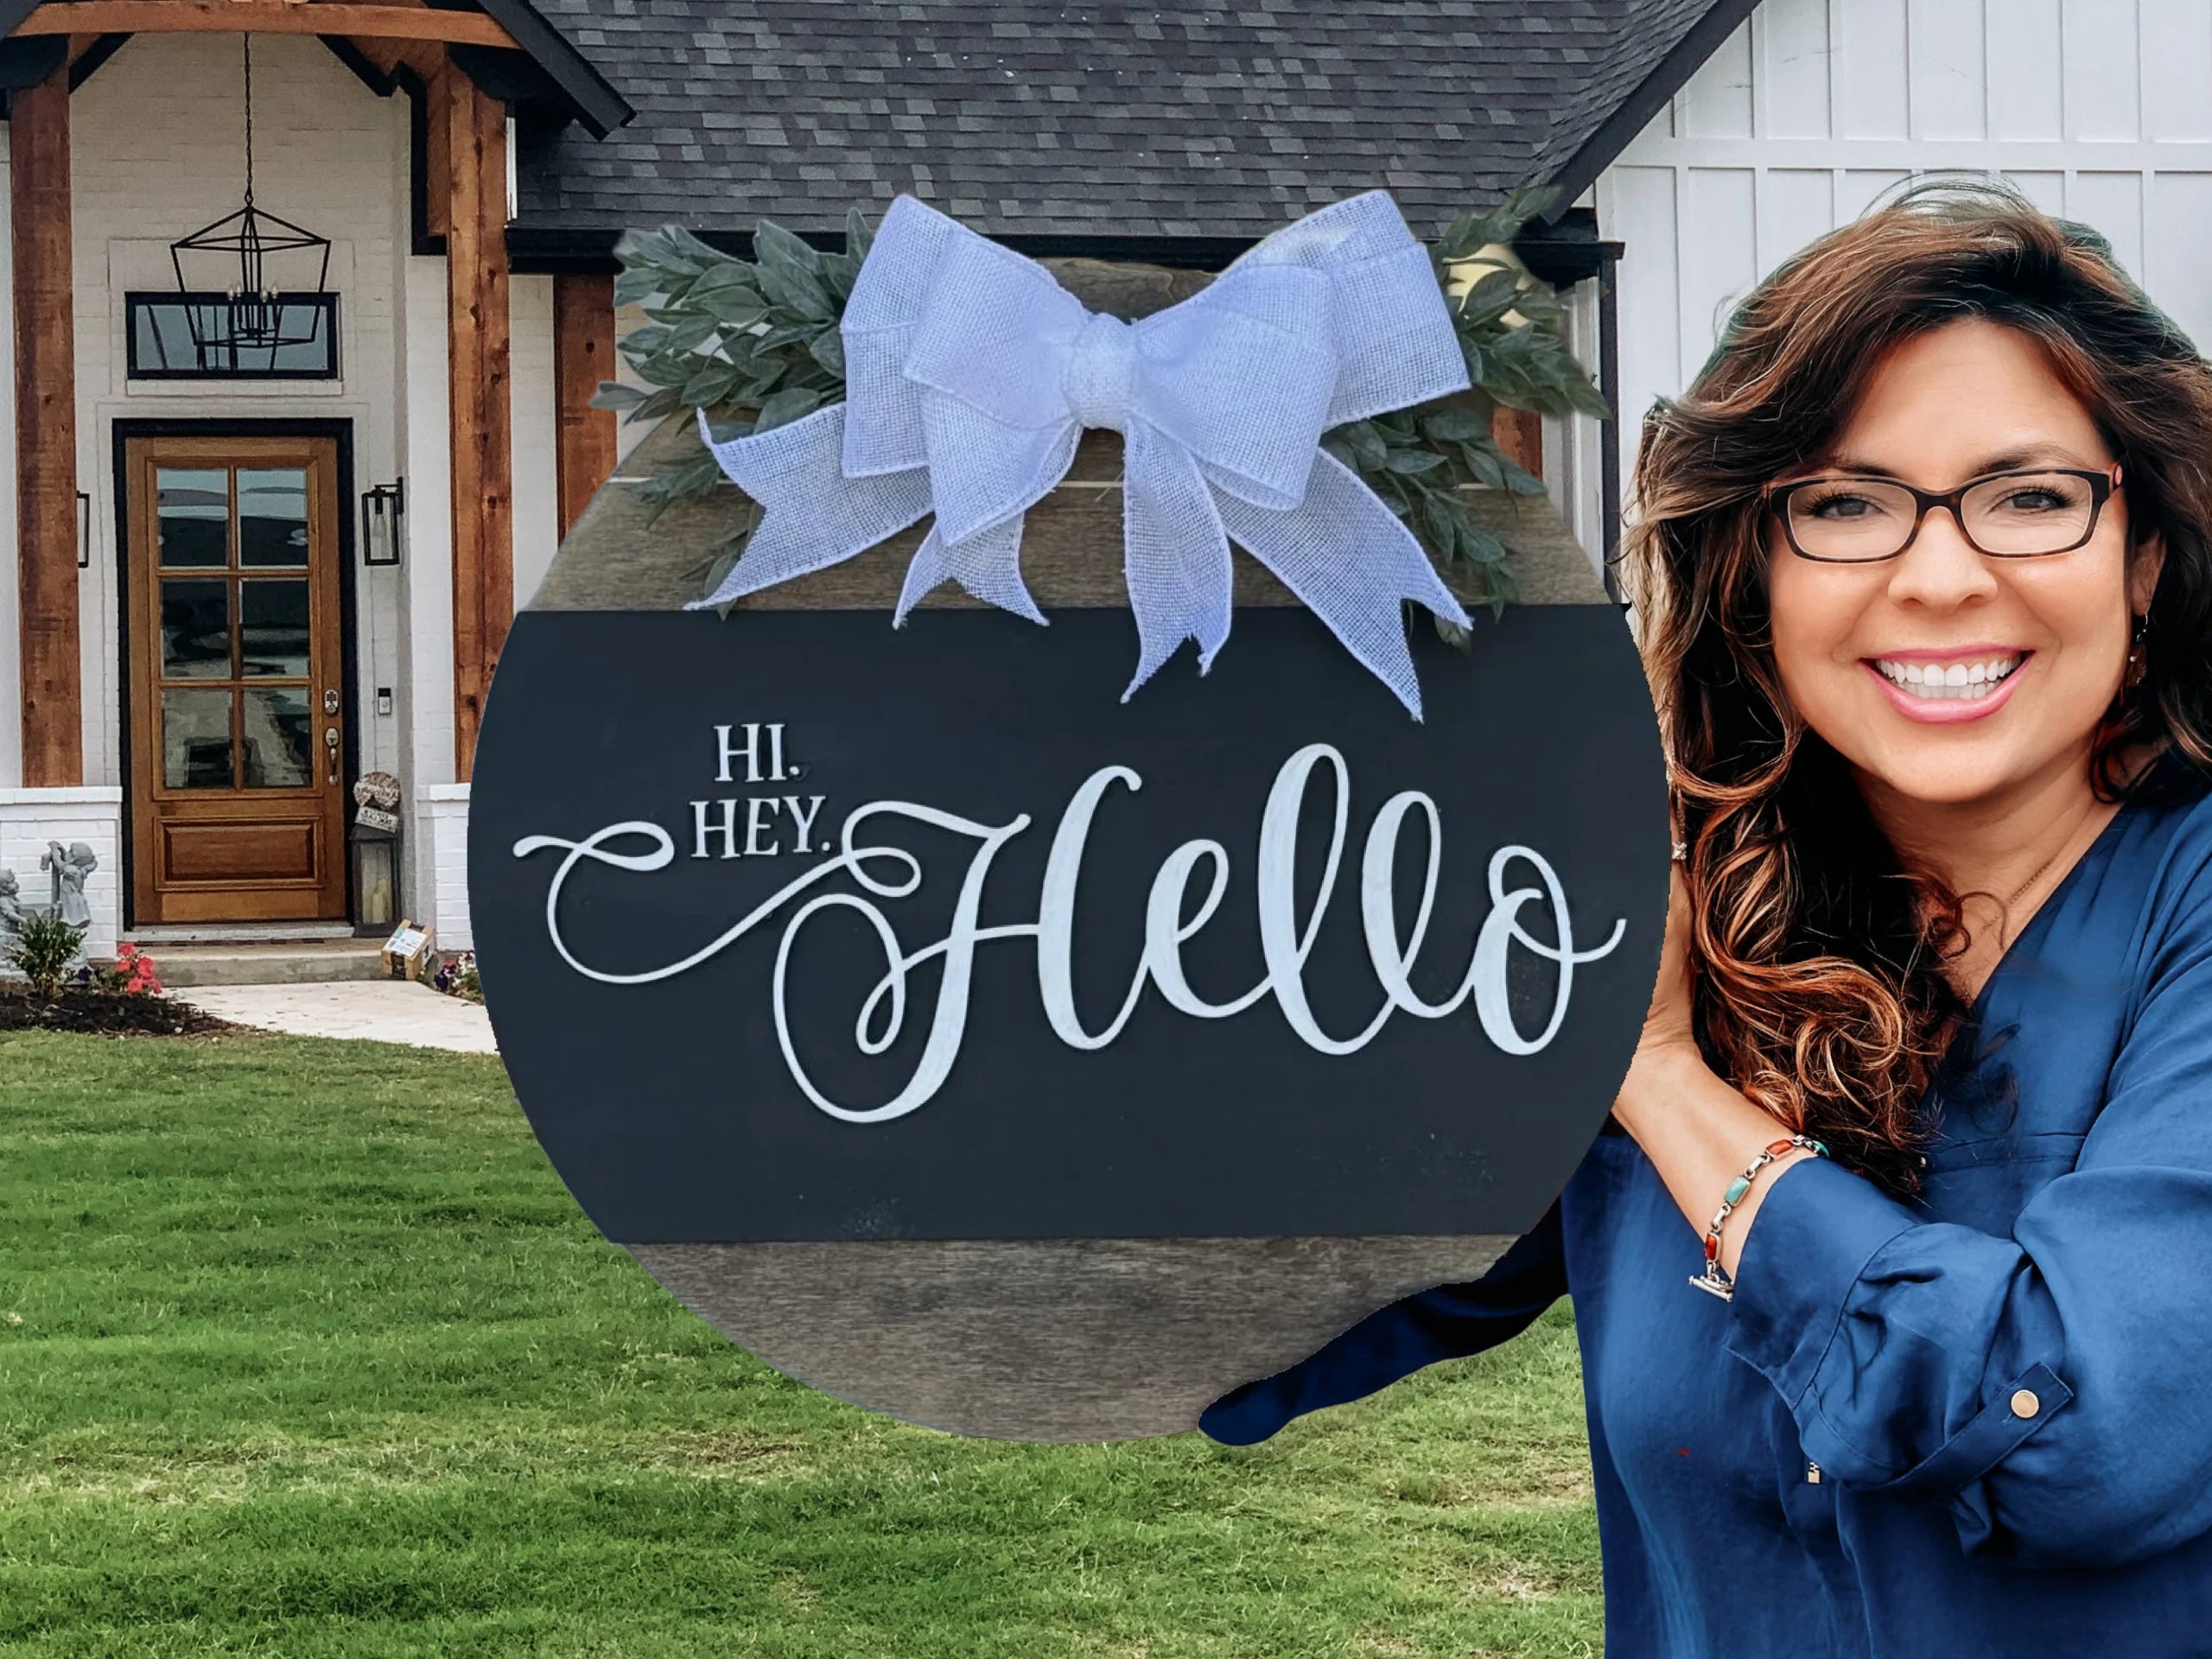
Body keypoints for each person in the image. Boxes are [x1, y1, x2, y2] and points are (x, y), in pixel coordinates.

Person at [1201, 182, 2212, 1656]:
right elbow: (1262, 1299)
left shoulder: (2176, 920)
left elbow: (2079, 1440)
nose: (1940, 575)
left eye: (2032, 496)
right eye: (1846, 504)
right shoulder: (1680, 906)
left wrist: (1666, 1082)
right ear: (1756, 572)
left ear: (2146, 556)